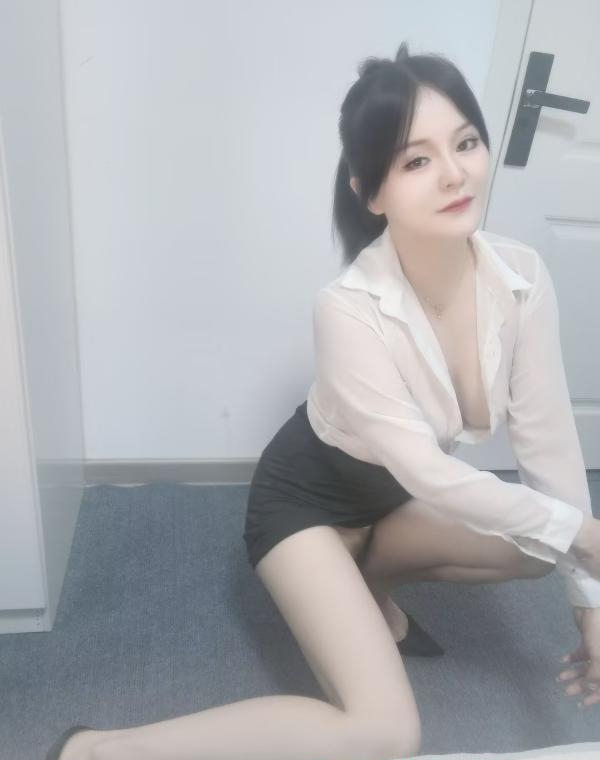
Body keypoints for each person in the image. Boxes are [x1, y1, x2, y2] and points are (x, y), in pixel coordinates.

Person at [47, 41, 600, 760]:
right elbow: (430, 472)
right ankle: (95, 749)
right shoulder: (347, 308)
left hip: (391, 501)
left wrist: (590, 606)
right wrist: (584, 533)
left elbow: (550, 445)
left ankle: (369, 583)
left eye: (465, 142)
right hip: (305, 508)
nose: (455, 172)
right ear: (371, 192)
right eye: (416, 160)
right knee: (385, 732)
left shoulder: (521, 276)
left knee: (542, 543)